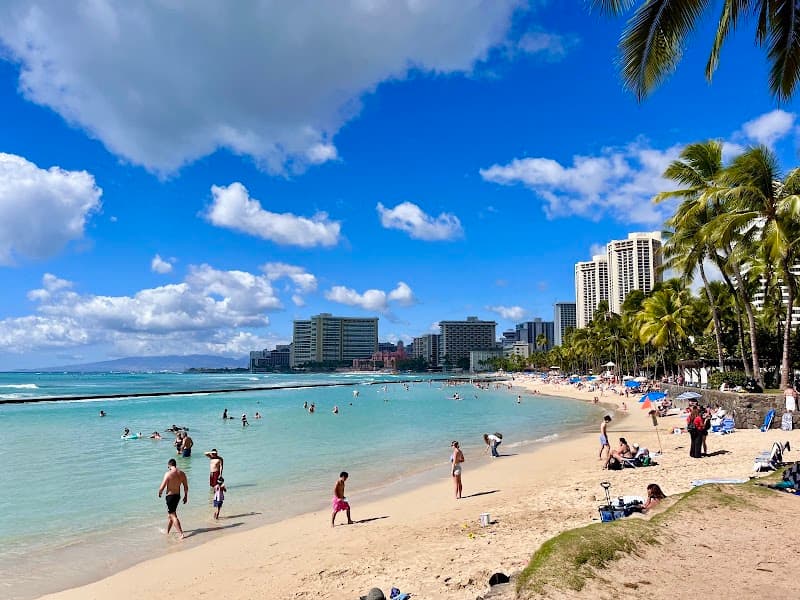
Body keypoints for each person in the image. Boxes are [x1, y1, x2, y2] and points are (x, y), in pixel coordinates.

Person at [158, 458, 188, 539]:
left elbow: (162, 486)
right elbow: (186, 486)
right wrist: (186, 496)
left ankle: (181, 534)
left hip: (170, 497)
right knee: (171, 515)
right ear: (175, 465)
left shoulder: (168, 474)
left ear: (169, 465)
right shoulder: (182, 473)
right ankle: (167, 531)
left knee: (173, 515)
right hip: (177, 496)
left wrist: (160, 492)